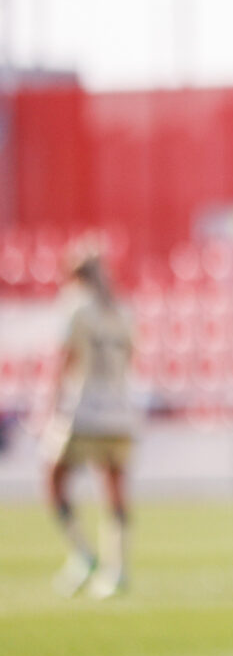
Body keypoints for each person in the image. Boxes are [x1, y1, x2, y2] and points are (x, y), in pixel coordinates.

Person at [41, 243, 137, 598]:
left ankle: (83, 554)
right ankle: (118, 568)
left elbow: (65, 359)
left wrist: (50, 405)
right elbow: (131, 358)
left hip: (85, 409)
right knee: (114, 488)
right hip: (121, 409)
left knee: (53, 480)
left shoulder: (75, 305)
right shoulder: (122, 308)